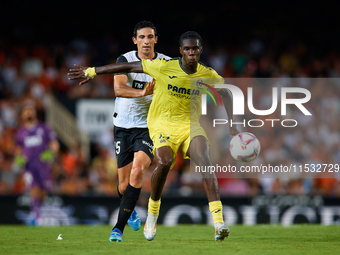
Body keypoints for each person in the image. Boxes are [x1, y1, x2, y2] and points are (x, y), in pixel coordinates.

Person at [68, 31, 239, 241]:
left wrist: (233, 123)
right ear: (181, 51)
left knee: (205, 161)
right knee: (163, 162)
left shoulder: (207, 73)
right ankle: (152, 213)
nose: (191, 53)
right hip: (162, 125)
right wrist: (93, 71)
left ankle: (219, 223)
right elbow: (128, 67)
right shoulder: (164, 66)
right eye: (187, 49)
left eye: (195, 49)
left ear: (201, 50)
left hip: (190, 126)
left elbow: (227, 92)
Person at [110, 21, 170, 242]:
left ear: (156, 39)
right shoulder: (125, 60)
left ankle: (117, 228)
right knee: (123, 185)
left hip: (148, 126)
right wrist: (144, 92)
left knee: (138, 171)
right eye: (142, 37)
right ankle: (130, 209)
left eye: (150, 37)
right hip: (123, 126)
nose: (146, 41)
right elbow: (118, 88)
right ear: (135, 40)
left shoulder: (165, 62)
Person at [14, 103, 59, 225]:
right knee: (34, 188)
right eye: (26, 111)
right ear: (22, 115)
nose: (28, 113)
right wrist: (18, 158)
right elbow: (18, 149)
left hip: (43, 165)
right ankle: (36, 215)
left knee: (43, 190)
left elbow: (54, 144)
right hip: (29, 166)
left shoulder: (44, 128)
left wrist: (51, 153)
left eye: (30, 110)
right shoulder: (20, 132)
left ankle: (39, 211)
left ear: (35, 113)